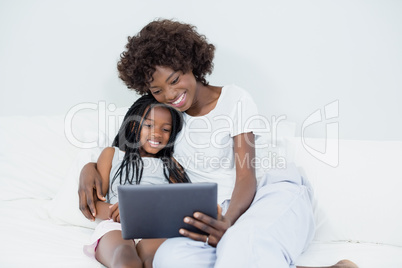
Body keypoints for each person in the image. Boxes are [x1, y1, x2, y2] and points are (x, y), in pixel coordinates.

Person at [79, 19, 358, 268]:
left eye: (175, 80)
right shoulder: (167, 118)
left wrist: (228, 222)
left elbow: (246, 174)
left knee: (241, 242)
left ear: (191, 64)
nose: (171, 94)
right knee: (170, 258)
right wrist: (89, 167)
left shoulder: (234, 99)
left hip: (264, 194)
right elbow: (130, 147)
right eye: (158, 90)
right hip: (214, 213)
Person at [82, 94, 190, 268]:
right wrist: (124, 212)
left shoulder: (169, 164)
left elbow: (180, 203)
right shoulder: (112, 154)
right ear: (134, 125)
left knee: (152, 260)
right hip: (118, 224)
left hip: (154, 225)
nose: (157, 133)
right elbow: (96, 203)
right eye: (149, 125)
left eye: (166, 129)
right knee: (124, 257)